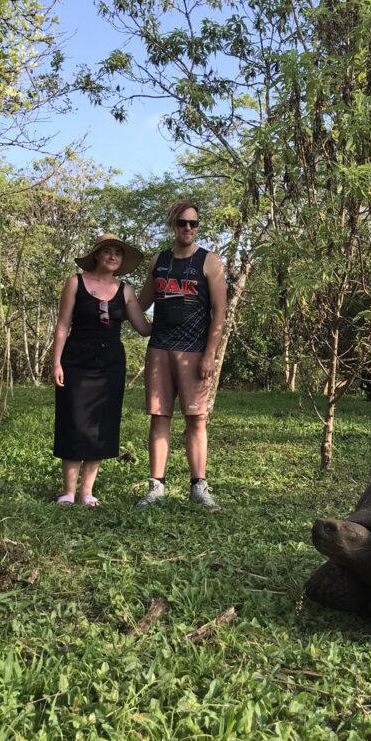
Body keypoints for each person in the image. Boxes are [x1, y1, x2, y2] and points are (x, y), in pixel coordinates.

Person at [136, 200, 227, 510]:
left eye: (194, 223)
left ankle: (199, 486)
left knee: (196, 418)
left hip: (194, 351)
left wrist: (209, 354)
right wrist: (112, 292)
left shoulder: (209, 262)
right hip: (160, 348)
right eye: (182, 223)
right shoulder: (158, 261)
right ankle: (156, 486)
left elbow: (219, 311)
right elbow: (142, 303)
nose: (188, 228)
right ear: (172, 225)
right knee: (159, 417)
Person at [51, 233, 152, 506]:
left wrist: (174, 314)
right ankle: (69, 492)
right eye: (107, 251)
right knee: (73, 420)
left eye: (117, 254)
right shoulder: (75, 282)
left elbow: (143, 327)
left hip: (110, 363)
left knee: (100, 423)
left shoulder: (125, 290)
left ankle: (87, 491)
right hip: (76, 357)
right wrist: (56, 362)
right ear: (96, 254)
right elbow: (62, 325)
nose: (112, 257)